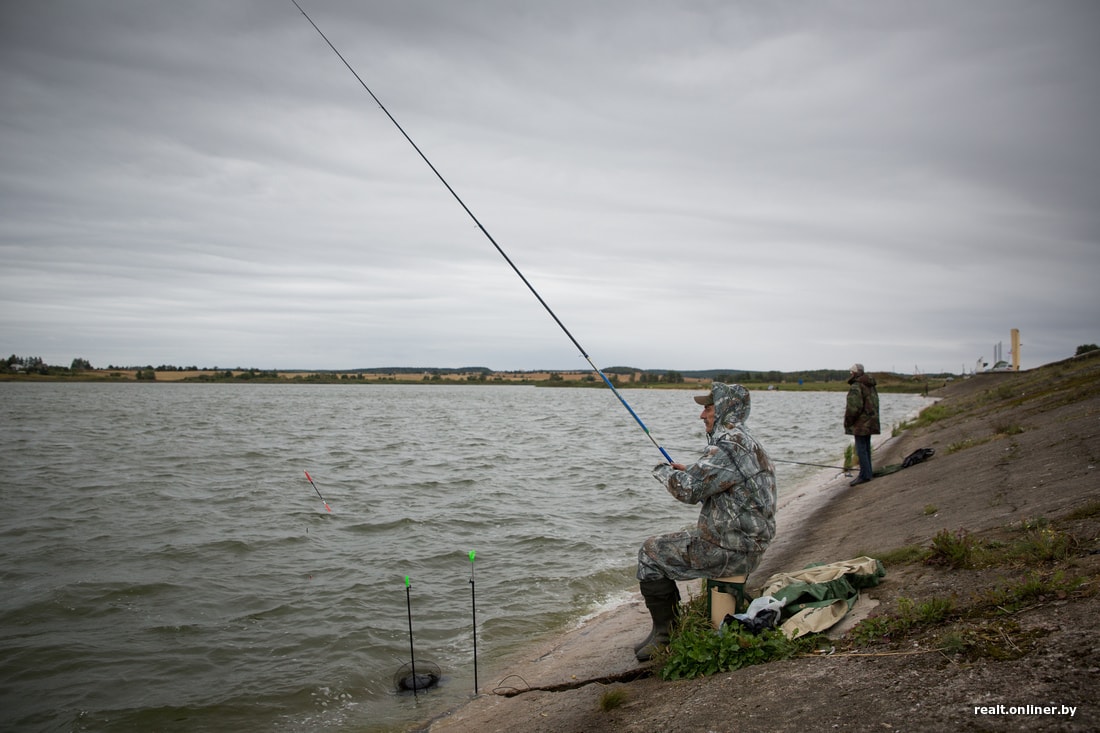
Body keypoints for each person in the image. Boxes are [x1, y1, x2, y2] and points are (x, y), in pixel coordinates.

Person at [634, 382, 777, 662]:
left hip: (731, 549)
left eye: (708, 408)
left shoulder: (730, 444)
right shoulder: (745, 441)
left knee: (649, 553)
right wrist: (691, 469)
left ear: (725, 409)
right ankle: (669, 630)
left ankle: (665, 635)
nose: (702, 415)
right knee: (661, 548)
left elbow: (689, 491)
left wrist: (662, 471)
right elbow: (718, 477)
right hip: (747, 542)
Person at [844, 363, 880, 486]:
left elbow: (854, 407)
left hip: (861, 423)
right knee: (866, 448)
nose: (850, 374)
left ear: (854, 373)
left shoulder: (856, 386)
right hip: (871, 421)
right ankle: (868, 472)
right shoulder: (870, 385)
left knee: (861, 450)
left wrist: (848, 422)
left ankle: (864, 475)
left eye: (851, 372)